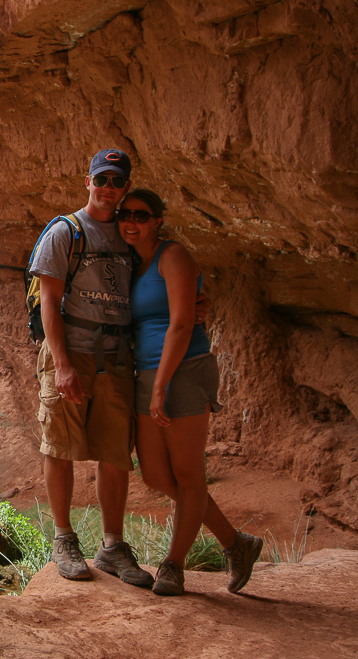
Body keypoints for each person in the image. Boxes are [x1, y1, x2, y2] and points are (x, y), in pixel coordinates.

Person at [117, 188, 263, 596]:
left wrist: (161, 386)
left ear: (158, 220)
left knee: (187, 474)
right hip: (147, 373)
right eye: (124, 214)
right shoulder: (133, 262)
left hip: (183, 370)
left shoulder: (173, 255)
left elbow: (181, 326)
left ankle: (173, 565)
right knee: (156, 474)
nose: (131, 221)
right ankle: (237, 544)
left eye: (141, 215)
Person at [29, 149, 153, 587]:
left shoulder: (130, 234)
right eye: (101, 179)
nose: (108, 189)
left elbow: (156, 282)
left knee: (115, 451)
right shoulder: (67, 232)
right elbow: (48, 300)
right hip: (72, 354)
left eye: (117, 182)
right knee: (59, 445)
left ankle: (113, 547)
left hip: (118, 359)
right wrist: (62, 365)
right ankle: (64, 539)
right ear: (87, 181)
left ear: (125, 187)